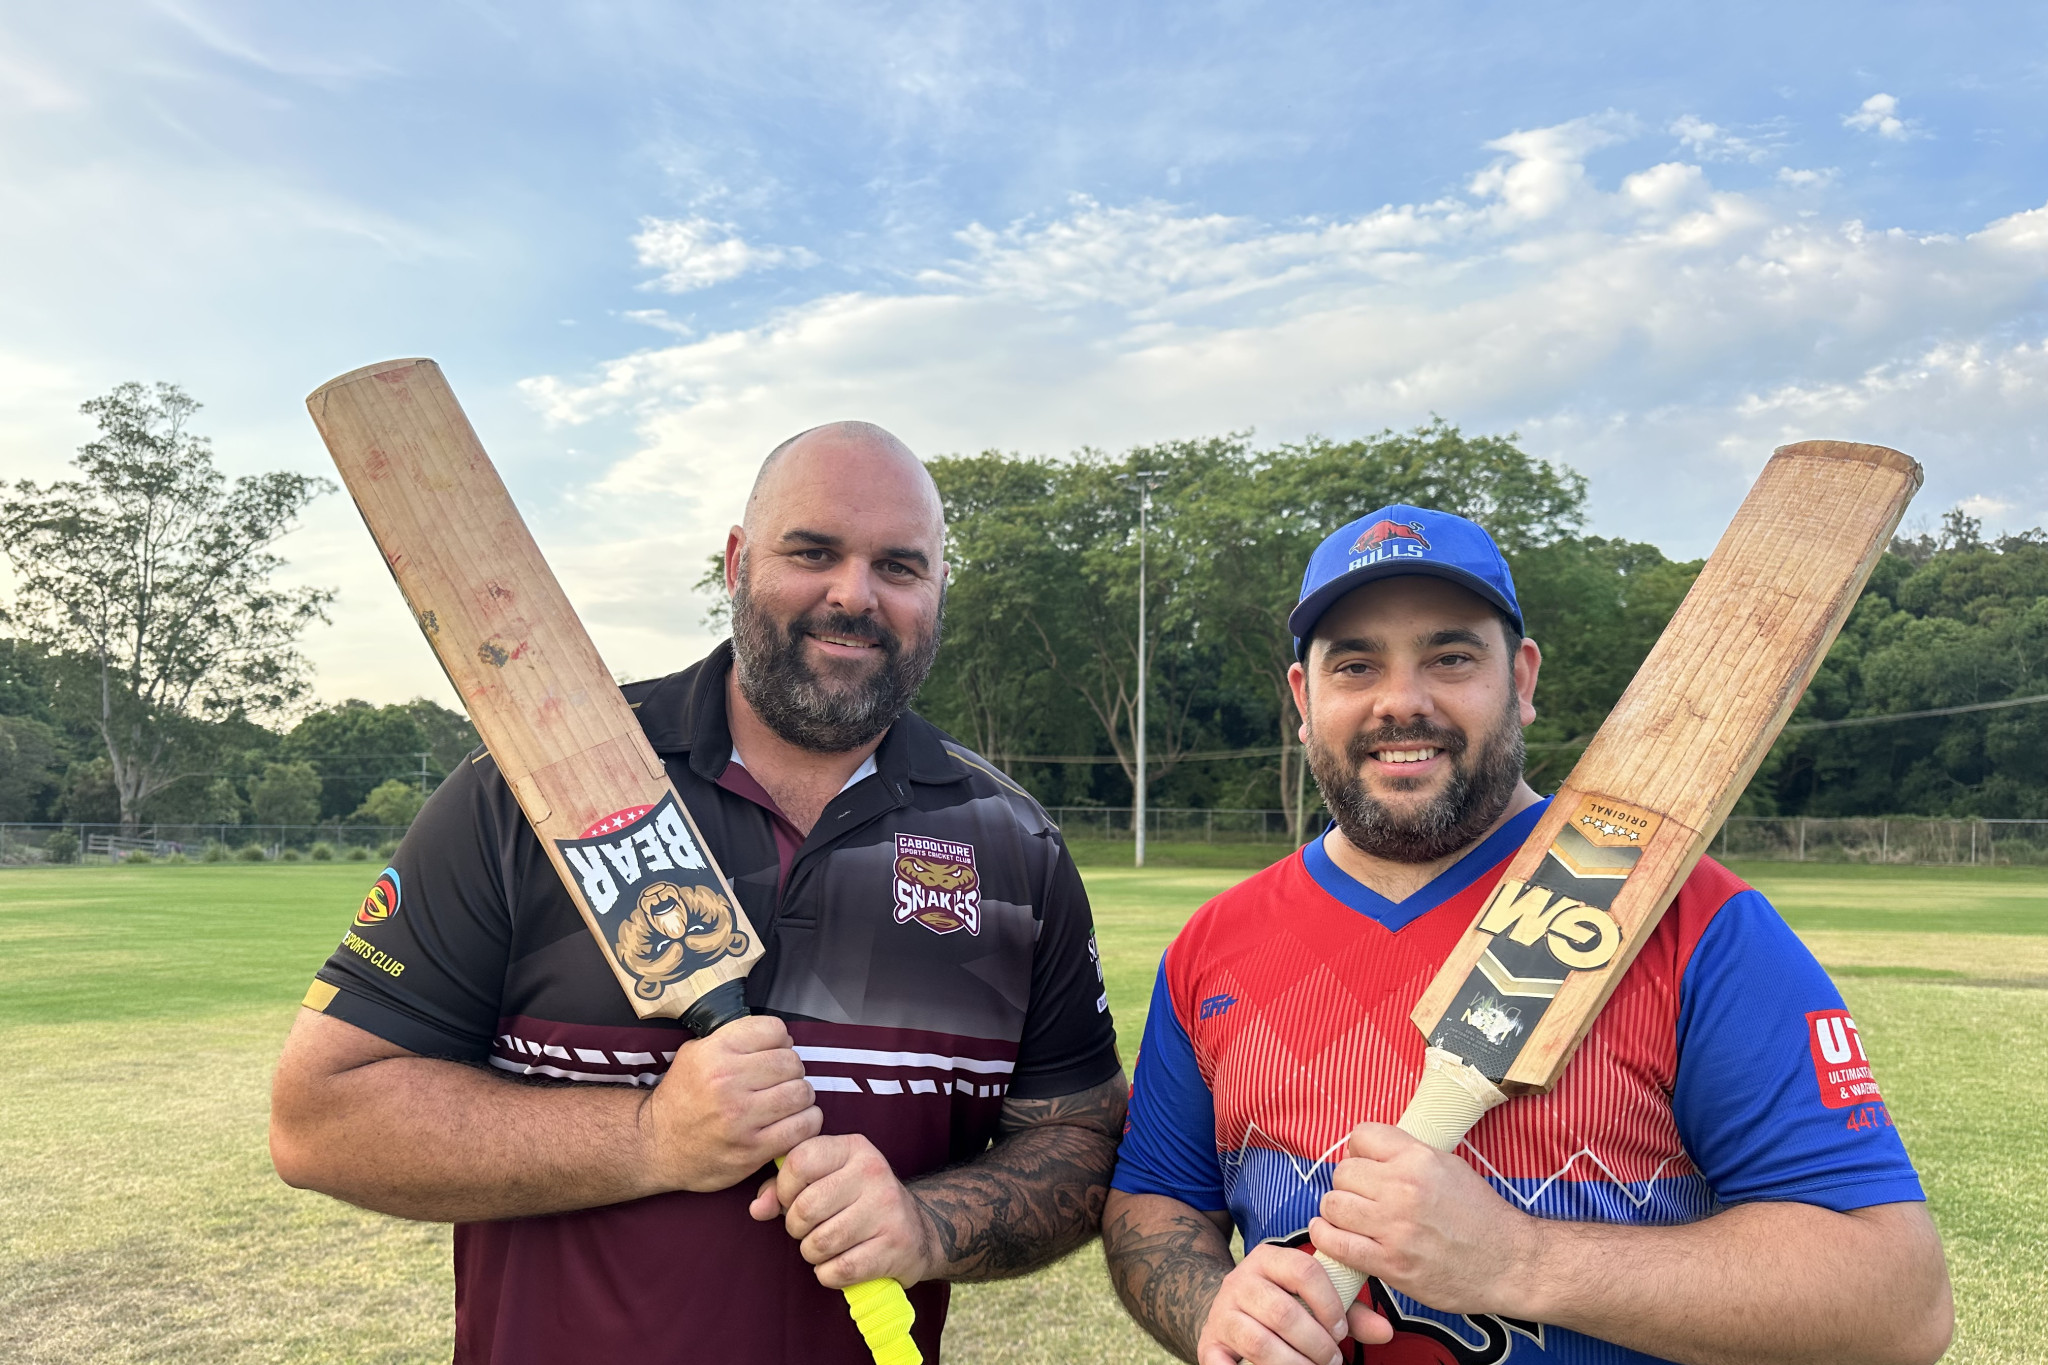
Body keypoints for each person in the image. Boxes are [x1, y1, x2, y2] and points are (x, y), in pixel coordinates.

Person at [271, 421, 1126, 1364]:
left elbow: (1082, 1142)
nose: (854, 592)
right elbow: (320, 1120)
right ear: (735, 562)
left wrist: (927, 1226)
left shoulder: (1012, 844)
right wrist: (647, 1137)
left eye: (899, 565)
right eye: (813, 552)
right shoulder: (530, 787)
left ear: (937, 591)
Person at [1101, 504, 1952, 1365]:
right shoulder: (1216, 943)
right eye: (1356, 664)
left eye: (1452, 657)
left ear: (1524, 678)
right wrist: (1212, 1304)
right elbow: (1156, 1199)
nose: (1402, 700)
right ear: (1302, 696)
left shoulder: (1697, 925)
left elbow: (1898, 1305)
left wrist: (1521, 1259)